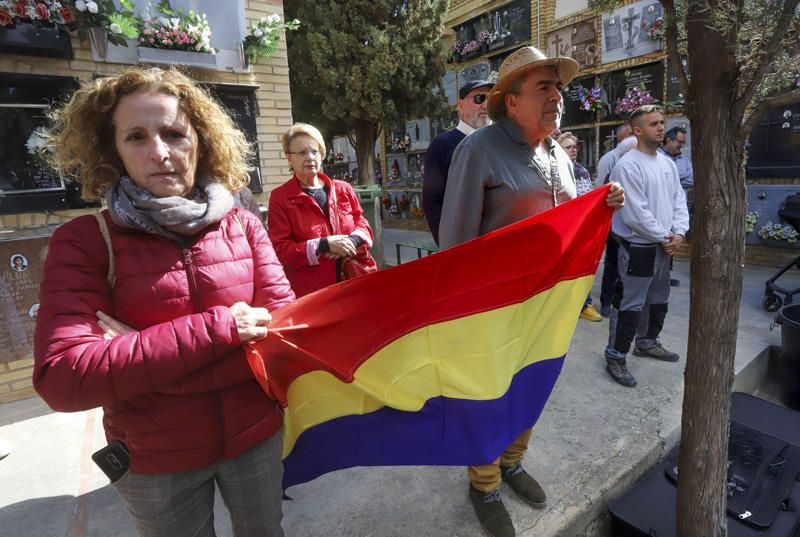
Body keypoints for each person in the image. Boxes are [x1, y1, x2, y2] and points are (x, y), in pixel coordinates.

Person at [33, 67, 295, 537]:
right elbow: (63, 378)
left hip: (254, 440)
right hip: (155, 460)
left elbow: (284, 337)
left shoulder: (244, 227)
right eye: (136, 136)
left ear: (201, 139)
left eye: (173, 133)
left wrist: (139, 355)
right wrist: (223, 331)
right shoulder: (85, 242)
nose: (159, 152)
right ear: (113, 149)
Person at [439, 46, 625, 537]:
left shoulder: (557, 156)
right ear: (511, 101)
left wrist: (602, 203)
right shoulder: (477, 150)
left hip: (548, 305)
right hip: (494, 307)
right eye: (543, 87)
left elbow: (567, 218)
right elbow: (455, 239)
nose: (557, 97)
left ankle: (513, 462)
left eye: (558, 87)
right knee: (488, 394)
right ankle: (483, 483)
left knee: (532, 385)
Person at [604, 105, 689, 388]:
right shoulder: (627, 165)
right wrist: (666, 237)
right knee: (630, 304)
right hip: (640, 247)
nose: (661, 127)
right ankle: (616, 356)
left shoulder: (666, 163)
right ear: (638, 130)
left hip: (664, 246)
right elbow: (634, 213)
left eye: (663, 122)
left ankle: (647, 341)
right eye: (654, 123)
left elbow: (678, 199)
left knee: (658, 299)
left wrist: (680, 232)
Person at [267, 123, 373, 298]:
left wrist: (351, 241)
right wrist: (324, 244)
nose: (310, 157)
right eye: (302, 153)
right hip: (313, 293)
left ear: (322, 154)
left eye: (314, 151)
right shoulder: (280, 198)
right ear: (289, 158)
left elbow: (363, 224)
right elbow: (281, 250)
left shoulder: (343, 189)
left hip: (354, 282)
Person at [422, 79, 494, 245]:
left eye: (491, 99)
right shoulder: (442, 145)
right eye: (479, 98)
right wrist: (447, 244)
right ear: (461, 106)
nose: (486, 105)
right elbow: (432, 201)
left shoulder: (499, 141)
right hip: (461, 243)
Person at [557, 131, 602, 322]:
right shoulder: (555, 169)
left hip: (580, 226)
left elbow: (586, 196)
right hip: (562, 228)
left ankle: (584, 304)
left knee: (581, 268)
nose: (573, 150)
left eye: (575, 146)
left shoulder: (581, 170)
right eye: (568, 147)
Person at [597, 128, 637, 317]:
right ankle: (607, 302)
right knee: (613, 265)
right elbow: (602, 191)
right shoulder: (613, 164)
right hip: (615, 226)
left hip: (634, 227)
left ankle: (623, 302)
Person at [658, 126, 692, 287]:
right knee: (661, 239)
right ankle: (659, 272)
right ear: (670, 140)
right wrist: (677, 178)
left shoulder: (685, 160)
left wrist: (673, 178)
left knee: (673, 239)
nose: (682, 146)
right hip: (661, 207)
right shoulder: (657, 157)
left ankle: (667, 274)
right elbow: (660, 180)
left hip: (677, 209)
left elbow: (692, 179)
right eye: (680, 142)